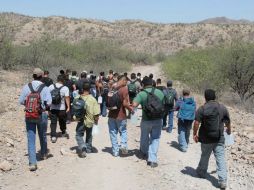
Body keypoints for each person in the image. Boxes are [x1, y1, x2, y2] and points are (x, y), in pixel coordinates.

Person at [193, 89, 231, 189]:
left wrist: (194, 134)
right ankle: (222, 181)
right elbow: (227, 122)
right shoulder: (222, 107)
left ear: (205, 97)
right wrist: (229, 130)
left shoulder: (202, 108)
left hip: (206, 138)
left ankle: (201, 172)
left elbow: (196, 123)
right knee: (220, 158)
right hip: (219, 137)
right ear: (215, 97)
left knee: (205, 155)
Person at [19, 68, 52, 171]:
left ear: (33, 76)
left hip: (29, 115)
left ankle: (32, 162)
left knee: (31, 138)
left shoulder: (26, 87)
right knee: (42, 135)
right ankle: (43, 154)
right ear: (41, 76)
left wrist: (29, 105)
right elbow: (49, 102)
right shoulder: (45, 88)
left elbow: (21, 101)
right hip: (41, 114)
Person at [132, 76, 165, 168]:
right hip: (158, 120)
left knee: (144, 137)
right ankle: (152, 160)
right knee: (155, 138)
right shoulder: (160, 92)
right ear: (152, 83)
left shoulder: (141, 94)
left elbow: (134, 105)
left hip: (146, 120)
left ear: (143, 85)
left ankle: (143, 153)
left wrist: (133, 117)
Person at [107, 75, 133, 157]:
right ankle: (123, 146)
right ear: (123, 80)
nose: (126, 83)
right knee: (123, 131)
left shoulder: (112, 88)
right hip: (121, 115)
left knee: (113, 133)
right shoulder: (124, 89)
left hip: (111, 115)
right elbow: (125, 103)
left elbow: (108, 101)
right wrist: (131, 109)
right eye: (126, 81)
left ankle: (115, 152)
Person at [75, 81, 100, 158]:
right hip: (90, 121)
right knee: (89, 135)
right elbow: (96, 113)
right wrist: (96, 121)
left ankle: (82, 146)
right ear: (90, 89)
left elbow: (74, 109)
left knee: (78, 135)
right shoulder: (93, 99)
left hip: (80, 120)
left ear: (82, 89)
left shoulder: (77, 98)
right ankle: (88, 149)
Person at [49, 75, 70, 143]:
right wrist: (68, 106)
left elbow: (48, 96)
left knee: (53, 122)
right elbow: (67, 97)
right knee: (62, 120)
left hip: (52, 107)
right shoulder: (65, 88)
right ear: (63, 80)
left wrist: (48, 106)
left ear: (57, 79)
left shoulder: (51, 86)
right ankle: (63, 131)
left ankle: (53, 136)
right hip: (62, 108)